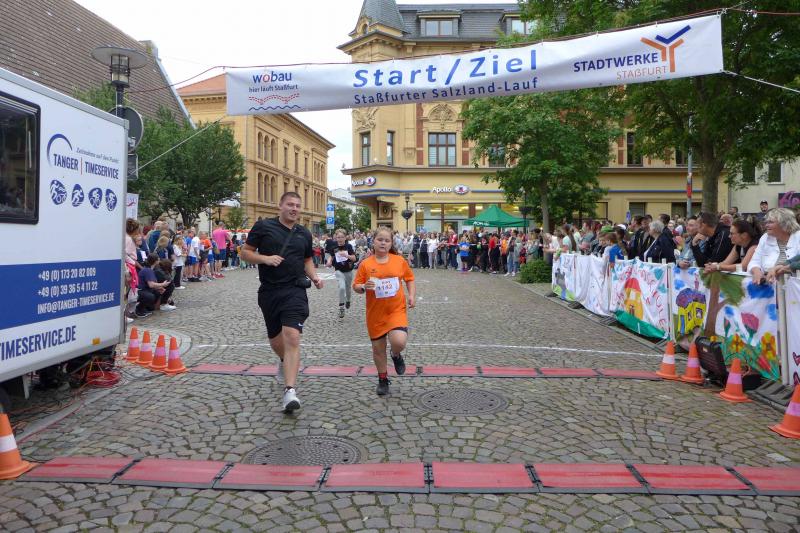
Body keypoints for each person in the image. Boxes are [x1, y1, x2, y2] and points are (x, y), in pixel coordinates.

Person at [240, 191, 323, 414]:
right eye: (290, 204)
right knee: (276, 340)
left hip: (295, 290)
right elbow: (245, 253)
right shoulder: (263, 227)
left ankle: (290, 391)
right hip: (269, 291)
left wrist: (314, 277)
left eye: (297, 205)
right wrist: (265, 259)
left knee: (292, 336)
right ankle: (285, 361)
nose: (294, 209)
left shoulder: (304, 233)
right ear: (280, 205)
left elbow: (307, 259)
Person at [353, 226, 416, 396]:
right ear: (373, 242)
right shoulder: (366, 264)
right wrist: (363, 287)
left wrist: (411, 295)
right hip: (375, 313)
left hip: (396, 310)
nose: (383, 243)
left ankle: (395, 354)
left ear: (391, 243)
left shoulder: (399, 261)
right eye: (380, 239)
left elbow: (409, 278)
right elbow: (356, 286)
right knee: (378, 349)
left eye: (387, 240)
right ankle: (383, 379)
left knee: (399, 341)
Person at [749, 208, 800, 284]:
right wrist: (756, 272)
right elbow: (754, 261)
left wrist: (785, 267)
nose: (766, 225)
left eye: (770, 222)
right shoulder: (765, 237)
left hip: (795, 286)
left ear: (784, 223)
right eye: (766, 222)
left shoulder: (798, 236)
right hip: (769, 285)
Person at [327, 228, 357, 318]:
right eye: (338, 237)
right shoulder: (334, 247)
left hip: (348, 271)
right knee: (342, 287)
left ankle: (348, 300)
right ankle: (341, 307)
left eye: (342, 237)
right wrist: (329, 261)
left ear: (345, 238)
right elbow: (331, 257)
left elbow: (354, 259)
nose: (340, 239)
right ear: (336, 238)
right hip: (338, 270)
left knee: (348, 289)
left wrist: (347, 255)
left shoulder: (349, 246)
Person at [135, 253, 172, 318]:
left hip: (145, 290)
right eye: (158, 259)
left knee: (157, 293)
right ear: (156, 261)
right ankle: (139, 309)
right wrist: (163, 284)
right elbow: (151, 285)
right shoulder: (148, 270)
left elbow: (151, 284)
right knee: (150, 296)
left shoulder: (150, 269)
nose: (159, 260)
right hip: (139, 291)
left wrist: (159, 288)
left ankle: (145, 308)